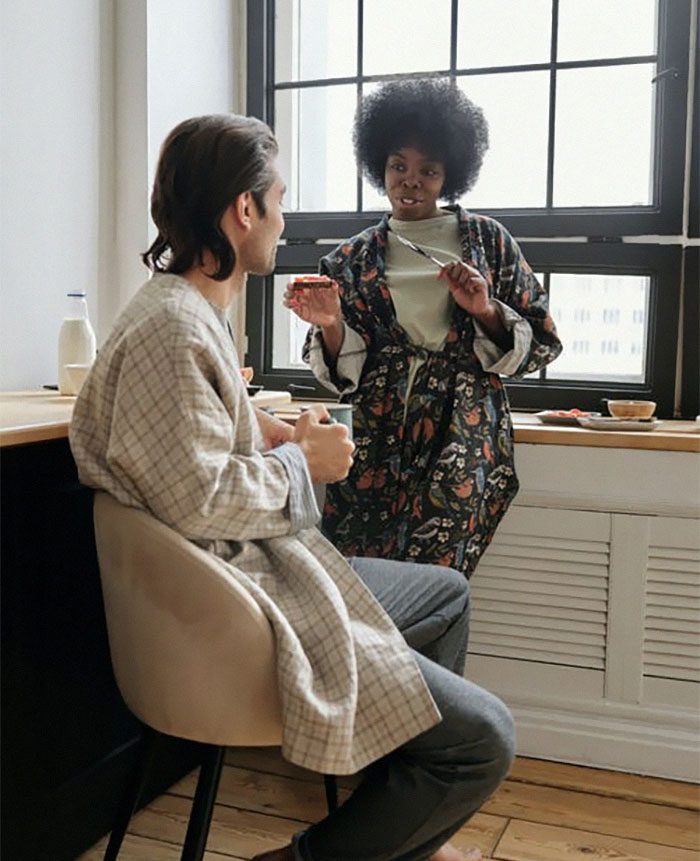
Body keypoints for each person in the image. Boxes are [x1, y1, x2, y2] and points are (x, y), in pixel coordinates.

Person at [69, 114, 514, 861]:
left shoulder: (181, 312)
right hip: (236, 610)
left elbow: (183, 448)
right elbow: (195, 497)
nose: (285, 217)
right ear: (244, 210)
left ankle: (403, 830)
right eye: (278, 199)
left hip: (244, 577)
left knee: (447, 595)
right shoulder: (174, 329)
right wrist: (302, 464)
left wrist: (262, 426)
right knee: (483, 741)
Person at [285, 78, 563, 578]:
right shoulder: (350, 259)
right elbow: (344, 376)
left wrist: (483, 309)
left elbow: (542, 341)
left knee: (436, 582)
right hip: (375, 435)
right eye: (398, 167)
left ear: (448, 175)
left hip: (461, 434)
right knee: (358, 580)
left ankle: (426, 661)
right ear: (380, 168)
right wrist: (330, 323)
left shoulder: (488, 243)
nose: (410, 182)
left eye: (427, 171)